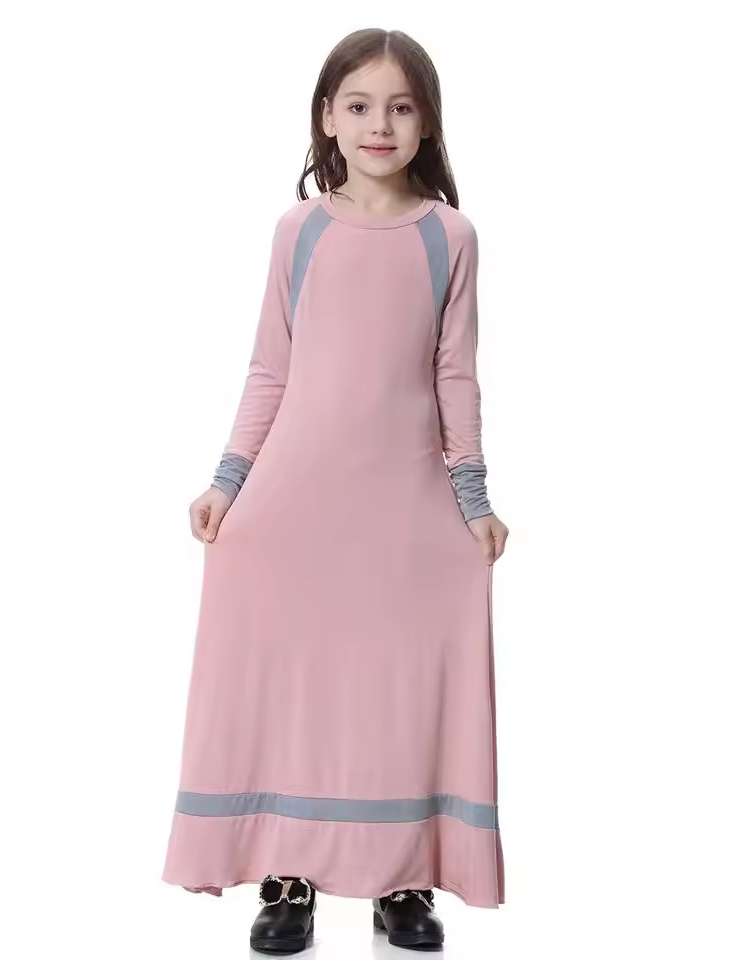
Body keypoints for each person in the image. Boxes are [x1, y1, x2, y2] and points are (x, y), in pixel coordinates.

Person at [161, 26, 510, 955]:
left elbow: (455, 374)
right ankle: (289, 872)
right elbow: (270, 368)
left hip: (404, 506)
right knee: (299, 685)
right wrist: (227, 481)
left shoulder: (449, 237)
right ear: (327, 117)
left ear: (427, 121)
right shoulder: (300, 231)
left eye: (400, 107)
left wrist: (473, 499)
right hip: (297, 503)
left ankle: (402, 874)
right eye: (358, 105)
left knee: (397, 685)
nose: (378, 124)